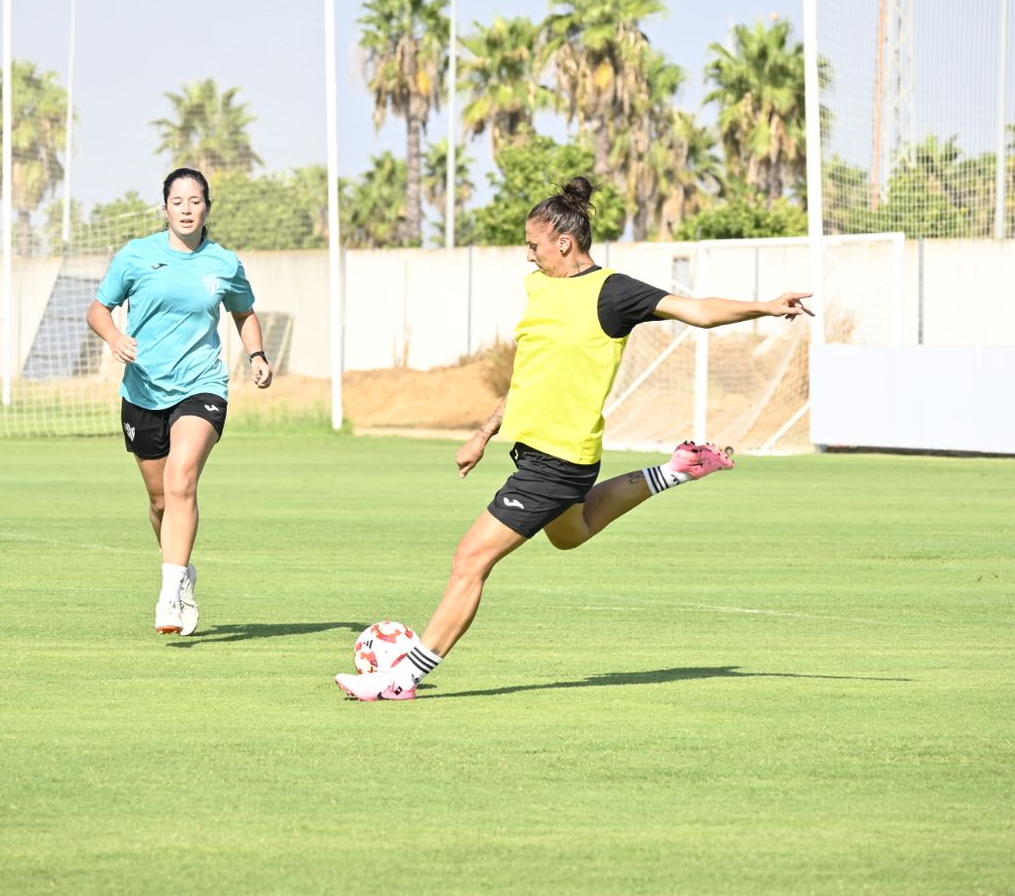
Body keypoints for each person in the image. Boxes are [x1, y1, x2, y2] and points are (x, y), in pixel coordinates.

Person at [336, 177, 813, 701]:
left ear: (564, 242)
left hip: (558, 461)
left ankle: (401, 678)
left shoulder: (613, 292)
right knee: (571, 532)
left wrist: (765, 306)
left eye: (534, 246)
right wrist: (484, 431)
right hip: (538, 455)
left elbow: (696, 310)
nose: (529, 256)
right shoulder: (539, 288)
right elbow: (530, 371)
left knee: (470, 561)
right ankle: (676, 468)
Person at [86, 168, 272, 636]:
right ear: (165, 207)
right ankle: (182, 570)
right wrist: (114, 338)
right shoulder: (136, 255)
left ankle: (170, 596)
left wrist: (257, 354)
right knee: (159, 501)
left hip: (202, 386)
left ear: (207, 206)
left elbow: (244, 312)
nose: (187, 209)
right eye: (178, 201)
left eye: (195, 201)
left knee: (181, 480)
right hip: (143, 391)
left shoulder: (224, 263)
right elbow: (99, 310)